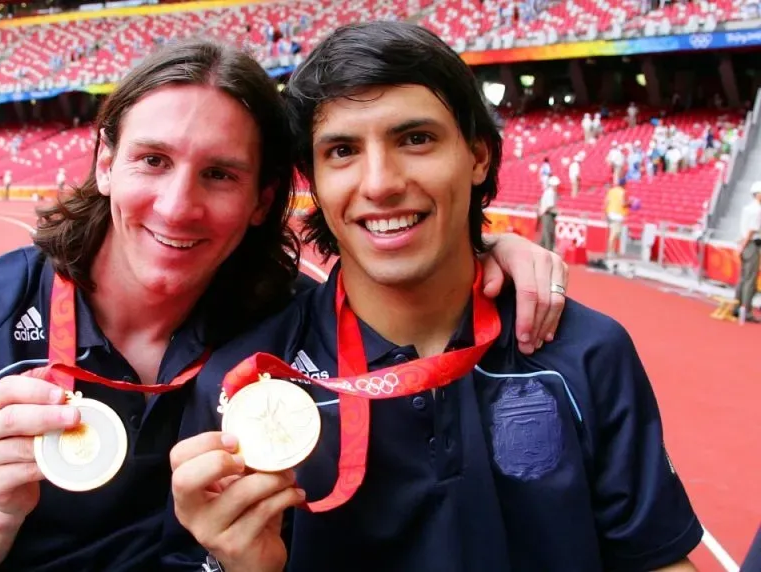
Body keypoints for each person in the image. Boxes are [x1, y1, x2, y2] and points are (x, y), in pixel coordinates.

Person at [0, 39, 567, 572]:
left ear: (262, 201)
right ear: (105, 163)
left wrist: (481, 250)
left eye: (218, 174)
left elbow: (400, 290)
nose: (178, 206)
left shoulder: (288, 330)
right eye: (153, 160)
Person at [165, 22, 702, 572]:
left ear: (478, 156)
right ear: (315, 182)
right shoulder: (246, 383)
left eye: (415, 139)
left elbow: (658, 561)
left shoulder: (589, 353)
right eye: (343, 150)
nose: (380, 183)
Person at [735, 182, 761, 323]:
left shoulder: (747, 208)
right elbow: (752, 230)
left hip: (744, 244)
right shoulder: (757, 210)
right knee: (750, 279)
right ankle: (746, 310)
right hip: (751, 245)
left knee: (743, 277)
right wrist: (744, 244)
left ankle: (737, 306)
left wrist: (741, 246)